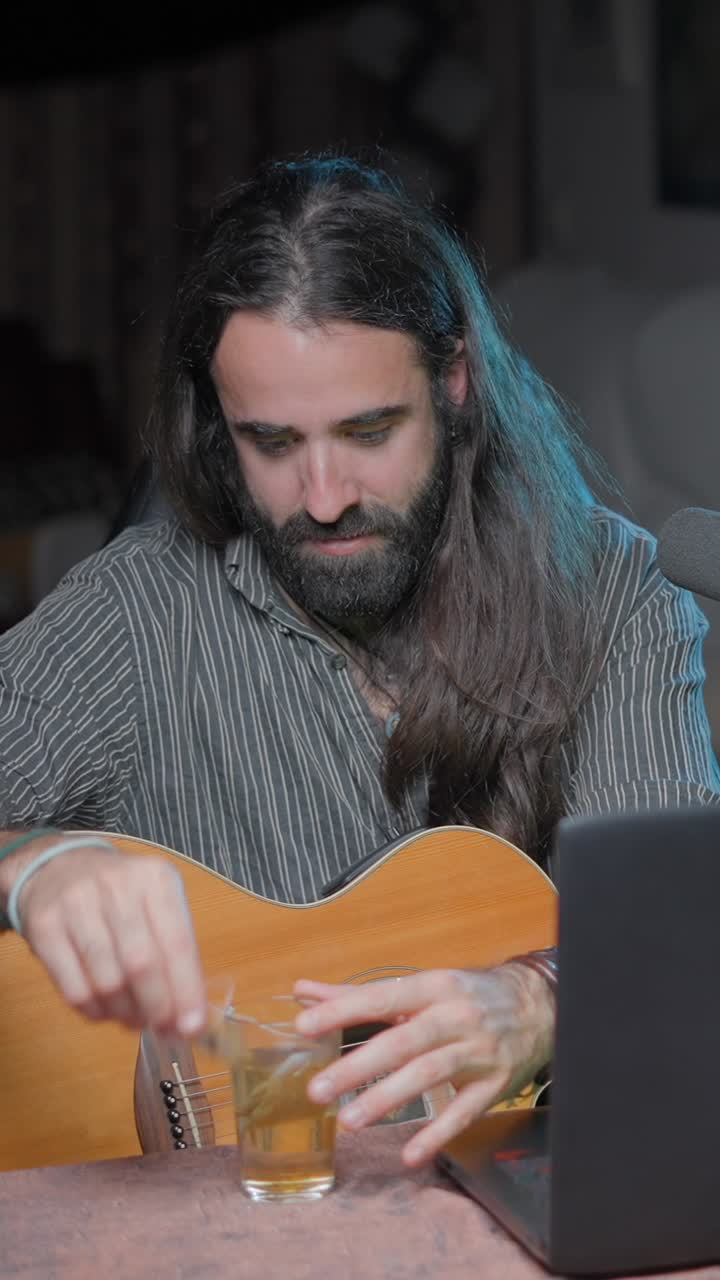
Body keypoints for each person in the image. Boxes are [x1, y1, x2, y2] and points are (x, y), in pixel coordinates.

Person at [1, 155, 718, 1165]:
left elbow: (678, 931)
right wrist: (31, 861)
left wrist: (543, 995)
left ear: (456, 383)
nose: (325, 494)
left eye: (369, 431)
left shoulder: (614, 599)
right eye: (273, 442)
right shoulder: (140, 612)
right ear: (218, 421)